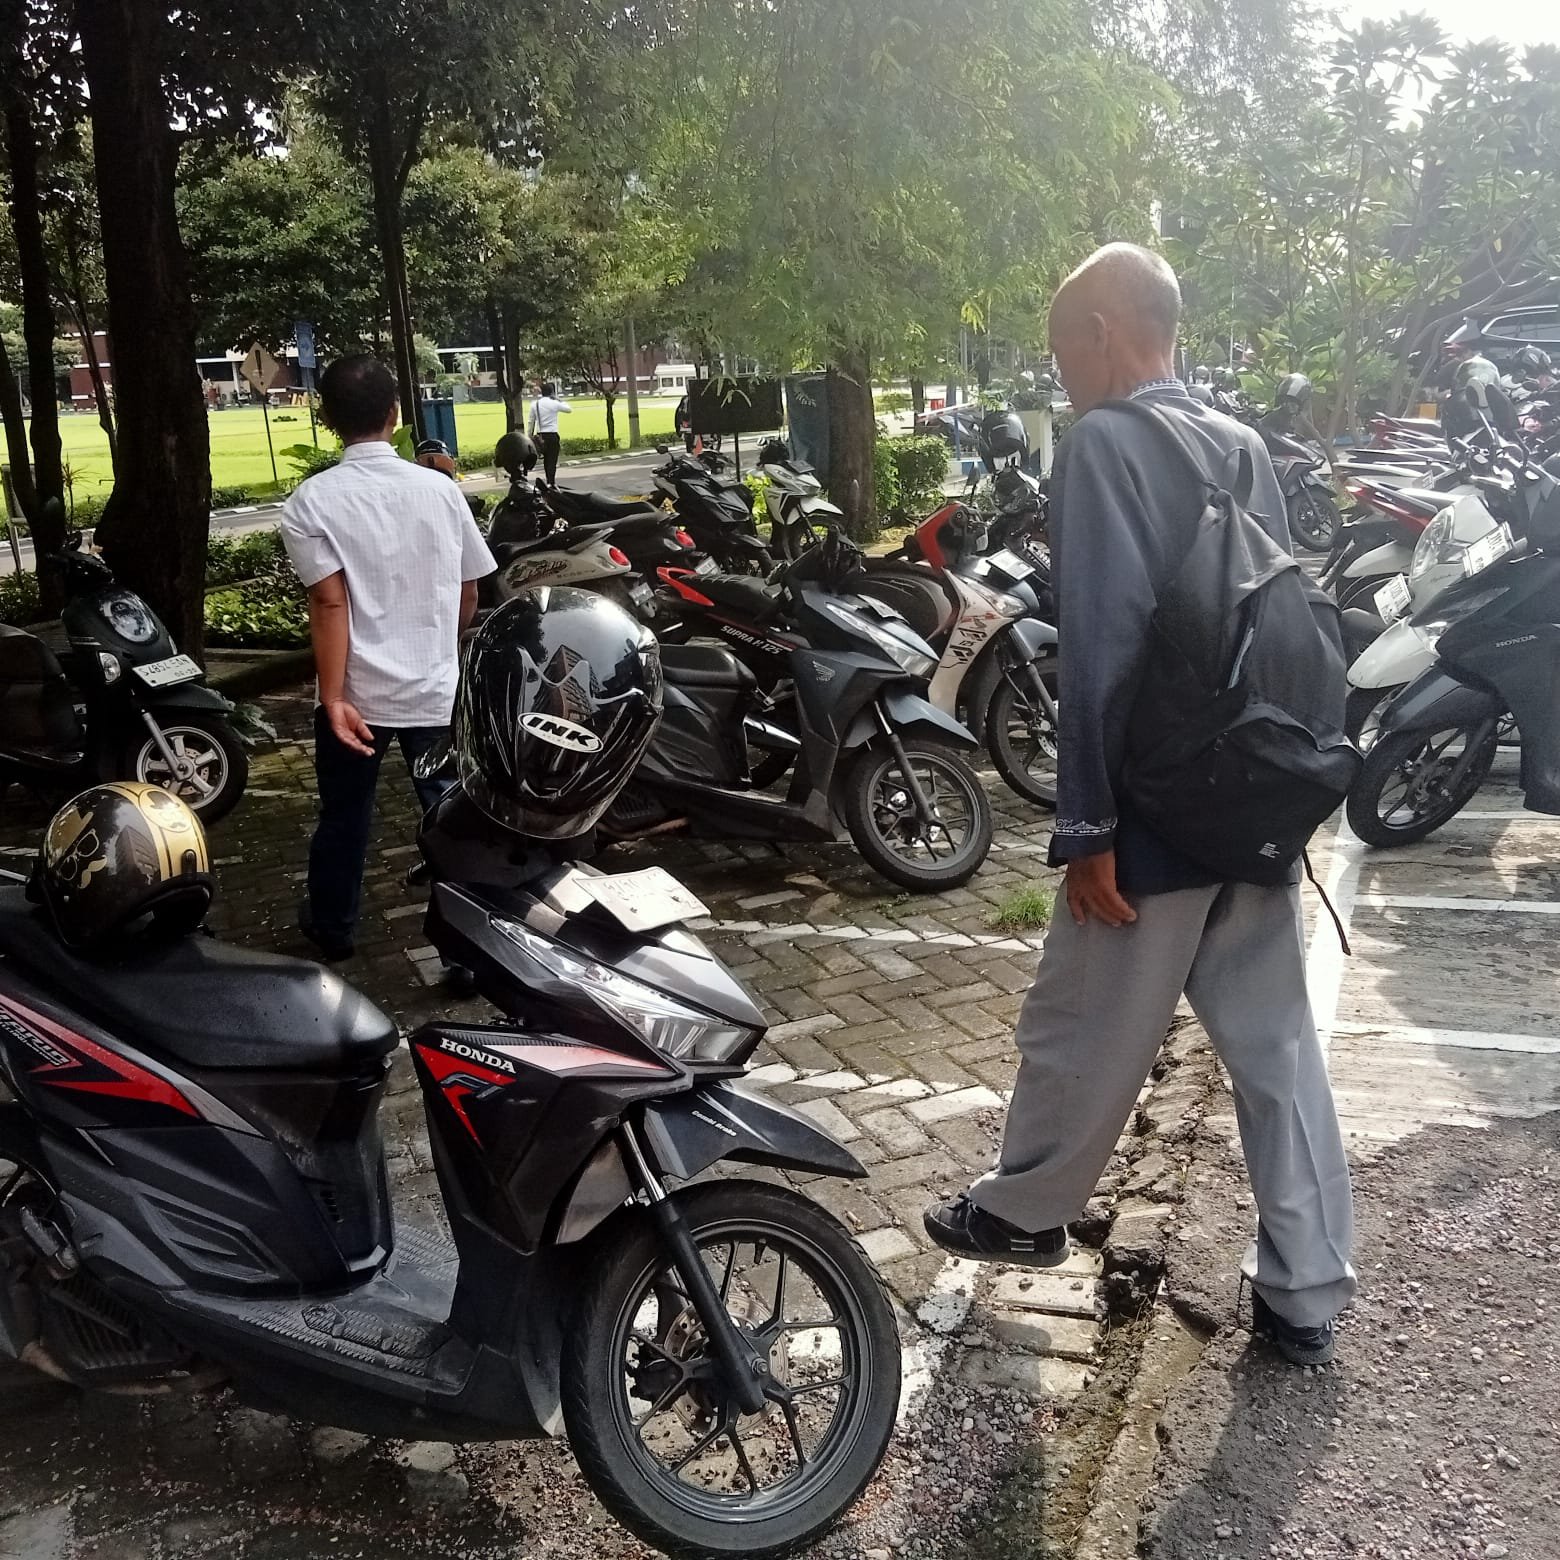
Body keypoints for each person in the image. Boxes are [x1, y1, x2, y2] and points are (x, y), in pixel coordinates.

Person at [923, 243, 1357, 1367]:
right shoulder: (1238, 441)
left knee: (1078, 1023)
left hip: (1155, 805)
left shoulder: (1105, 445)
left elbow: (1102, 645)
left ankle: (1024, 1212)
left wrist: (1088, 826)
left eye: (1061, 351)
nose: (1061, 374)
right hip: (1251, 789)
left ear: (1102, 332)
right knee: (1278, 1052)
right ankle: (1307, 1288)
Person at [279, 355, 495, 962]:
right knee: (451, 815)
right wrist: (441, 648)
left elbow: (329, 602)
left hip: (356, 699)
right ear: (395, 414)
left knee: (345, 816)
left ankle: (333, 928)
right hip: (435, 689)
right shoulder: (440, 491)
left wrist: (332, 698)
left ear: (327, 418)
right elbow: (469, 590)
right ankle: (467, 950)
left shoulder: (311, 502)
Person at [528, 380, 572, 486]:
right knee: (552, 460)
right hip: (552, 435)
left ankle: (549, 481)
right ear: (552, 392)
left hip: (540, 436)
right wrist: (558, 399)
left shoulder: (535, 404)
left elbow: (531, 421)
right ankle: (550, 482)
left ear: (541, 392)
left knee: (546, 460)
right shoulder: (554, 403)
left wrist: (529, 436)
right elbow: (569, 409)